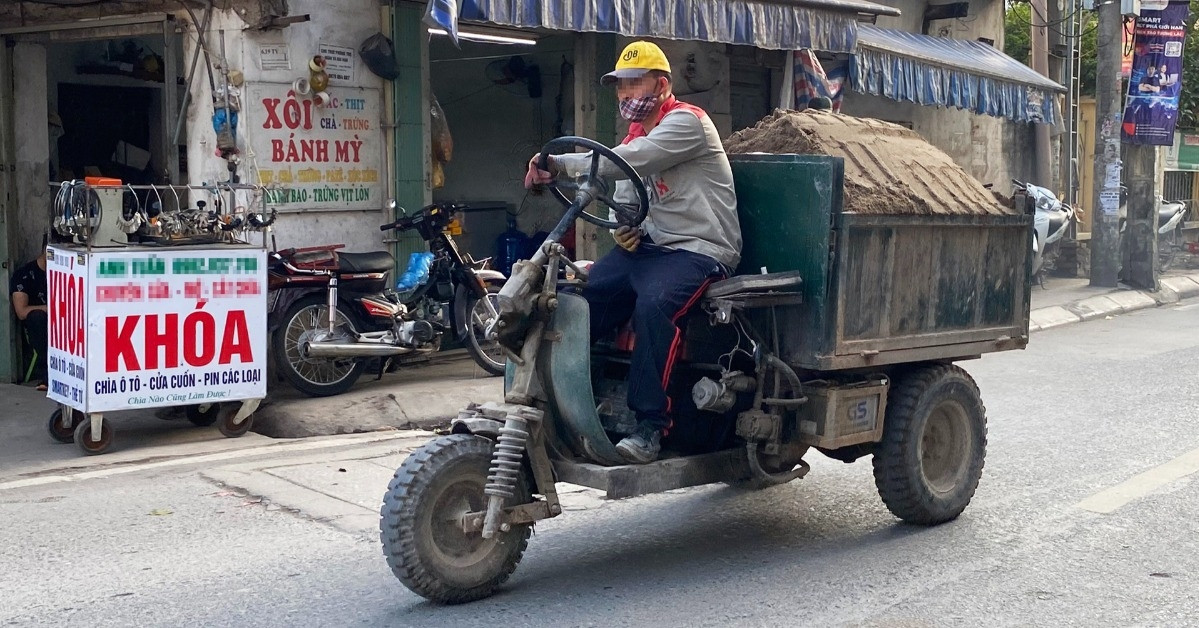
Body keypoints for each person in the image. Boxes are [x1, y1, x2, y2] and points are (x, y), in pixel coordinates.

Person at [525, 41, 742, 464]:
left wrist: (561, 163)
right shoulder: (635, 136)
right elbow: (625, 197)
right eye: (620, 87)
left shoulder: (688, 123)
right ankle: (567, 406)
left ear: (661, 85)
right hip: (652, 249)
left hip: (699, 250)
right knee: (579, 303)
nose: (625, 94)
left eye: (634, 83)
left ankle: (650, 427)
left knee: (653, 306)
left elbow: (631, 161)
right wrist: (626, 229)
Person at [11, 239, 49, 391]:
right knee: (36, 317)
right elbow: (21, 312)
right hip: (40, 326)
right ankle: (47, 376)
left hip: (64, 324)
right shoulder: (25, 275)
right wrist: (49, 308)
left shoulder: (64, 273)